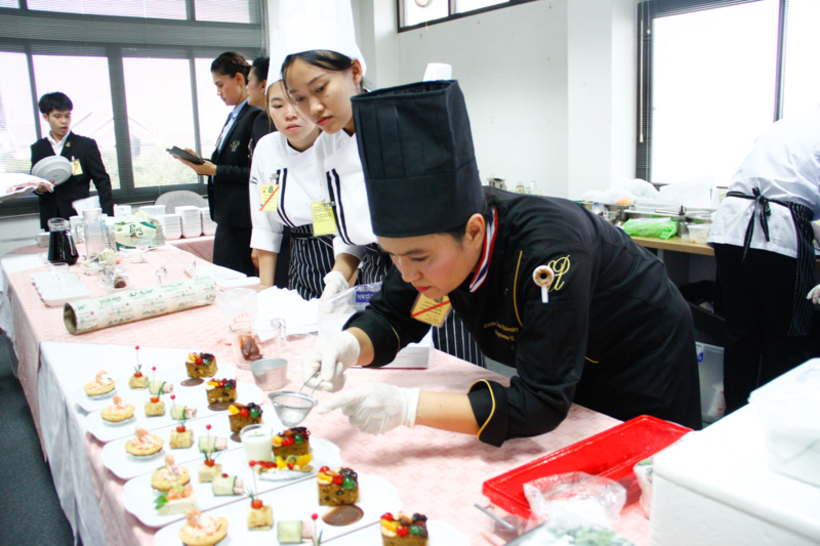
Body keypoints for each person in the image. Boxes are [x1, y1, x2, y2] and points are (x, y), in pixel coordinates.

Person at [308, 81, 702, 446]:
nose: (407, 273)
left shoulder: (549, 254)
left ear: (474, 231)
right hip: (561, 361)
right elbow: (395, 316)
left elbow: (540, 402)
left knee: (646, 464)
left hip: (637, 354)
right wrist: (347, 346)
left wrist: (408, 407)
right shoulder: (429, 242)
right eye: (393, 256)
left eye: (418, 258)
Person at [281, 0, 485, 366]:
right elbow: (342, 226)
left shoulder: (403, 126)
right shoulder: (324, 146)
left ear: (355, 71)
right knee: (383, 364)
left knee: (444, 366)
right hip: (376, 274)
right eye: (299, 99)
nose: (313, 108)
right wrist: (339, 274)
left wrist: (424, 275)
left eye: (321, 88)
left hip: (429, 268)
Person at [708, 108, 820, 414]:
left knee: (740, 337)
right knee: (785, 340)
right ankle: (770, 421)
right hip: (777, 233)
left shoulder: (790, 124)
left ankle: (735, 418)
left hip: (730, 228)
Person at [173, 52, 260, 276]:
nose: (218, 92)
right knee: (223, 275)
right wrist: (204, 163)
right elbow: (230, 161)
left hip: (243, 218)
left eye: (221, 85)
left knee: (238, 278)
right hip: (227, 215)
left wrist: (214, 170)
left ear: (239, 79)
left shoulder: (255, 116)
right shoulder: (234, 116)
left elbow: (257, 173)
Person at [248, 72, 332, 297]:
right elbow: (266, 219)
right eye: (277, 105)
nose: (289, 114)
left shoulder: (337, 141)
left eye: (298, 101)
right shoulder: (267, 150)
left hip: (347, 256)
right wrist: (265, 285)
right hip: (301, 258)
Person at [31, 92, 114, 229]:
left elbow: (102, 181)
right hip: (51, 217)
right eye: (57, 116)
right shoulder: (38, 148)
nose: (64, 121)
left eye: (67, 116)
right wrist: (39, 189)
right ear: (46, 117)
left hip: (79, 215)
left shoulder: (85, 145)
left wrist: (108, 215)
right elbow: (34, 182)